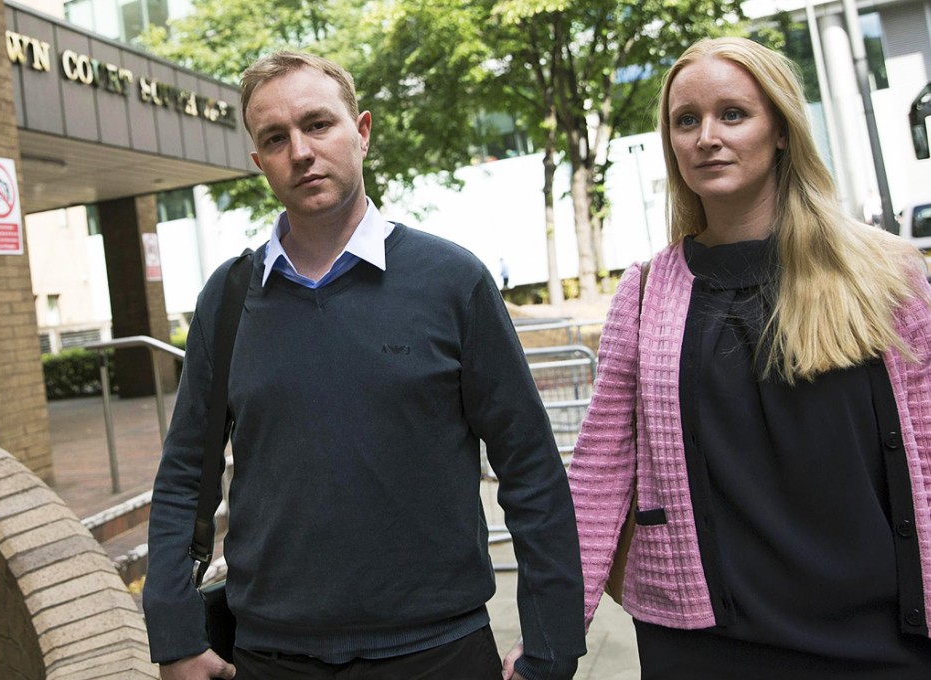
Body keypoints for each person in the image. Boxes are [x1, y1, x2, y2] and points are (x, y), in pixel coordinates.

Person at [142, 50, 586, 680]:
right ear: (259, 161)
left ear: (363, 131)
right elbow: (186, 474)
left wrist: (552, 636)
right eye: (275, 138)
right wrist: (175, 634)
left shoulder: (451, 281)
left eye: (318, 124)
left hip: (439, 651)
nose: (300, 151)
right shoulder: (229, 299)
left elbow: (531, 467)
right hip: (271, 656)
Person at [568, 36, 931, 679]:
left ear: (782, 131)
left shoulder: (889, 273)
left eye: (732, 114)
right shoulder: (647, 291)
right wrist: (556, 628)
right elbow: (599, 469)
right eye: (687, 120)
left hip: (882, 641)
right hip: (704, 648)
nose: (706, 136)